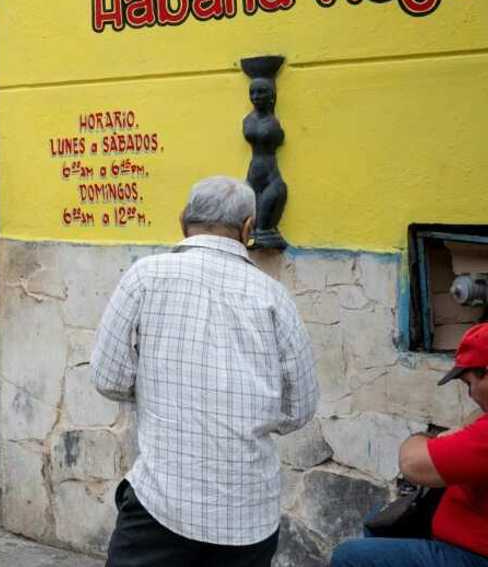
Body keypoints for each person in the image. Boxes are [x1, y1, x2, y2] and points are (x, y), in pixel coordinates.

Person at [91, 175, 318, 567]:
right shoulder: (274, 296)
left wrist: (157, 390)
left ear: (183, 219)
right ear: (248, 229)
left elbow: (109, 378)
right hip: (248, 517)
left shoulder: (145, 277)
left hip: (160, 505)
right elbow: (300, 408)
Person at [330, 323, 488, 567]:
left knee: (349, 556)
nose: (470, 395)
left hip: (473, 555)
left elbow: (412, 465)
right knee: (381, 522)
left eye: (470, 384)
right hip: (464, 533)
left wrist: (423, 438)